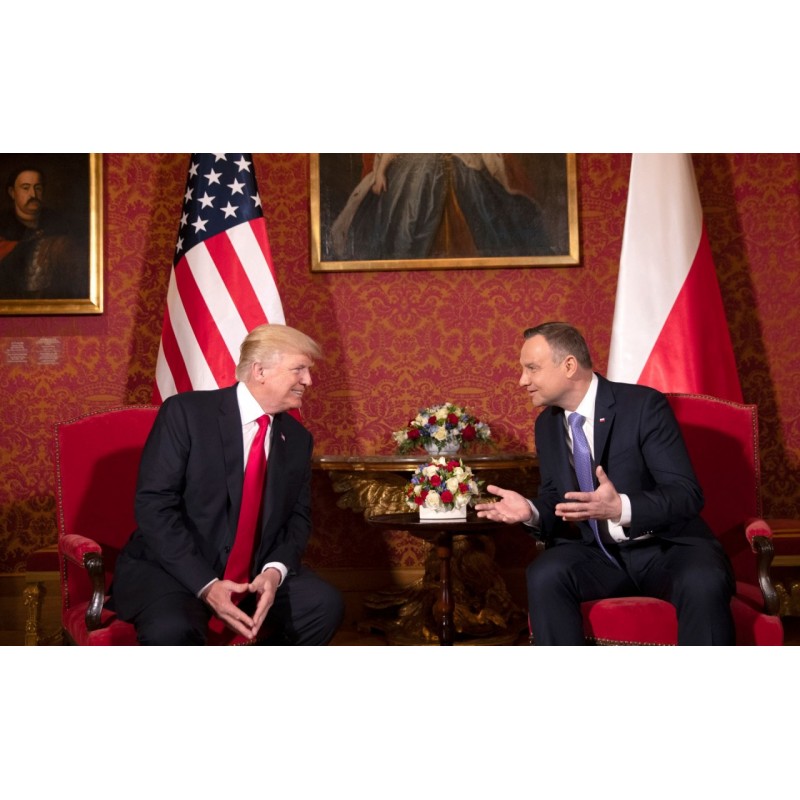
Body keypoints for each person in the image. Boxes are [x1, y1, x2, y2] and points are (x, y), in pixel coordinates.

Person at [475, 322, 735, 645]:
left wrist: (620, 507)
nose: (522, 380)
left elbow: (686, 495)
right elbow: (557, 499)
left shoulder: (643, 406)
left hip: (665, 548)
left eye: (532, 368)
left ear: (569, 365)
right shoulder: (547, 425)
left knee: (703, 578)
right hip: (599, 555)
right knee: (545, 573)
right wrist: (531, 511)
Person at [110, 324, 344, 645]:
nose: (308, 380)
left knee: (323, 606)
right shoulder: (186, 413)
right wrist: (206, 584)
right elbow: (154, 507)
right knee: (171, 629)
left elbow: (297, 519)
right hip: (177, 570)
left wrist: (274, 572)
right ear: (259, 371)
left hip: (253, 576)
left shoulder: (297, 439)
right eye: (298, 369)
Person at [0, 165, 87, 299]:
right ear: (12, 192)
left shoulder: (60, 221)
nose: (33, 194)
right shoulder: (2, 223)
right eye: (25, 188)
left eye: (38, 188)